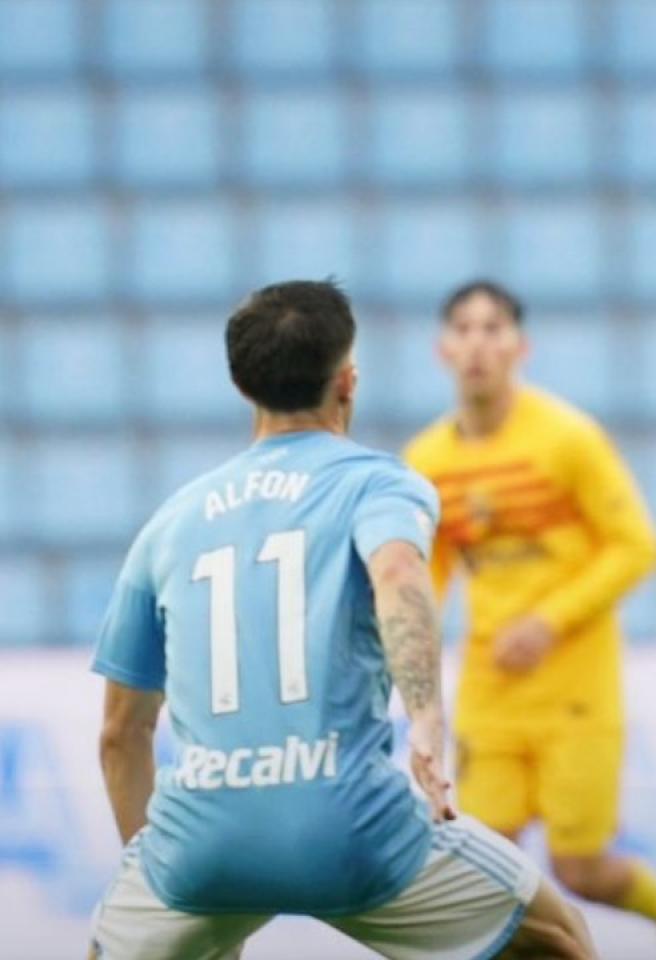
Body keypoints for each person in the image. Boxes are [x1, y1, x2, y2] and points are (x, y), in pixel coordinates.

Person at [89, 280, 596, 959]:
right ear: (347, 382)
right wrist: (424, 715)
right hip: (351, 832)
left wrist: (158, 873)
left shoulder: (170, 522)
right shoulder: (379, 482)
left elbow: (121, 733)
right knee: (559, 938)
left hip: (200, 845)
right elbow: (396, 573)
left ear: (244, 386)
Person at [405, 281, 656, 960]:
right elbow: (423, 582)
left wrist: (549, 621)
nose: (479, 344)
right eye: (466, 329)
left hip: (575, 691)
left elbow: (638, 546)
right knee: (485, 869)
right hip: (490, 694)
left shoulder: (567, 439)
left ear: (520, 346)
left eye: (494, 328)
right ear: (444, 349)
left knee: (578, 868)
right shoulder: (428, 463)